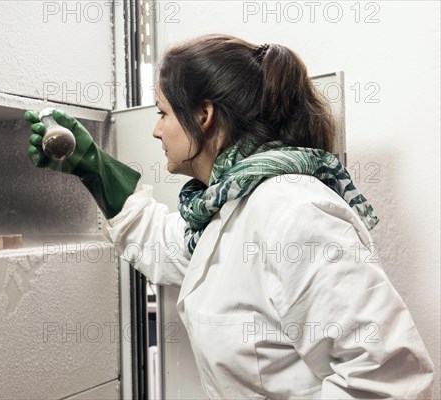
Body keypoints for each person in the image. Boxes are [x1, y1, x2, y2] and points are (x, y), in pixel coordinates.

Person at [25, 34, 434, 399]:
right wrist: (92, 166)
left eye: (163, 113)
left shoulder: (293, 213)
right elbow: (166, 246)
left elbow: (386, 380)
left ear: (203, 115)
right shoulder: (229, 207)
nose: (156, 130)